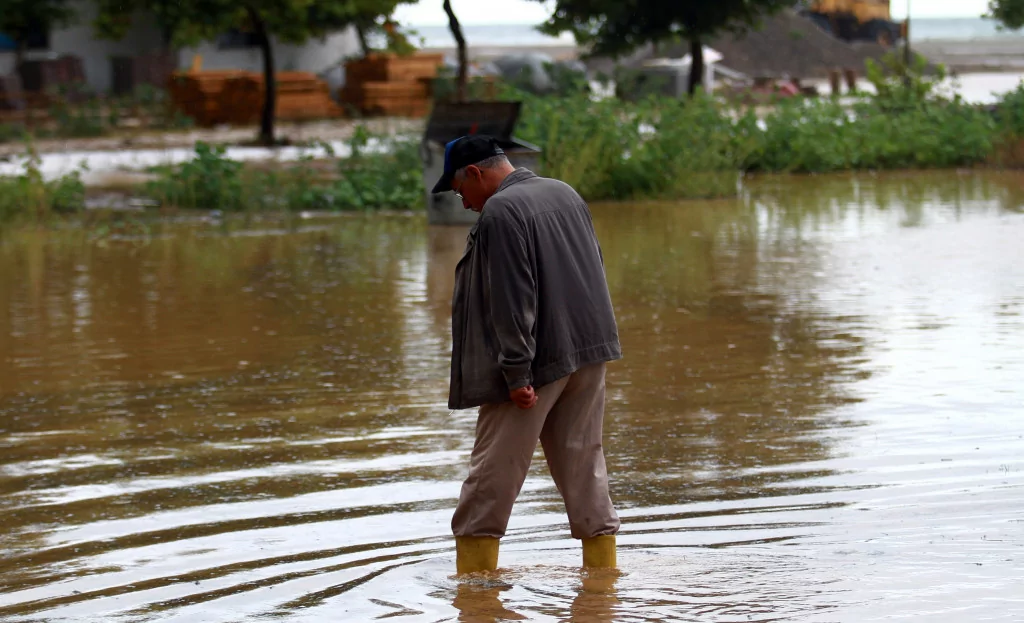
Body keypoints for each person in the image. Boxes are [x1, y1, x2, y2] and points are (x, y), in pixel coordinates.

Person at [431, 135, 622, 574]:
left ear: (476, 173)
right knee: (584, 465)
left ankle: (474, 595)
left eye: (461, 191)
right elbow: (593, 265)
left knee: (490, 478)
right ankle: (602, 583)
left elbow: (512, 299)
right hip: (589, 354)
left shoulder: (502, 210)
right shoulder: (564, 192)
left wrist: (516, 374)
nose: (463, 203)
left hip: (535, 365)